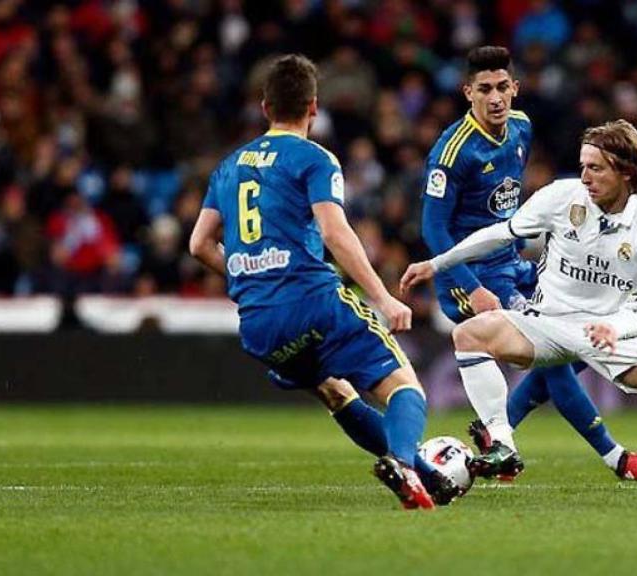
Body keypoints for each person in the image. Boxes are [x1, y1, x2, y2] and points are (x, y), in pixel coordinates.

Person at [402, 120, 637, 496]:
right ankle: (502, 442)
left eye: (595, 168)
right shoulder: (563, 197)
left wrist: (617, 329)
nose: (585, 177)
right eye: (582, 166)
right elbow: (502, 233)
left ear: (625, 171)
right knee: (469, 335)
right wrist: (438, 263)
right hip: (547, 323)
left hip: (609, 330)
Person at [189, 54, 451, 510]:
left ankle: (427, 476)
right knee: (403, 385)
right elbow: (334, 231)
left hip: (258, 323)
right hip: (311, 300)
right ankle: (406, 464)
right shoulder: (315, 158)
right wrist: (383, 297)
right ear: (313, 107)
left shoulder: (228, 167)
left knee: (335, 391)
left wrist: (250, 277)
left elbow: (198, 245)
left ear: (265, 107)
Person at [420, 45, 637, 482]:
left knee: (569, 346)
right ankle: (618, 460)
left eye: (502, 87)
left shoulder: (520, 127)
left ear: (514, 88)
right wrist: (472, 287)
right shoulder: (453, 152)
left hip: (511, 261)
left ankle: (498, 438)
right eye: (484, 90)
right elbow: (434, 231)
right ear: (467, 92)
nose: (495, 98)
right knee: (557, 354)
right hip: (472, 275)